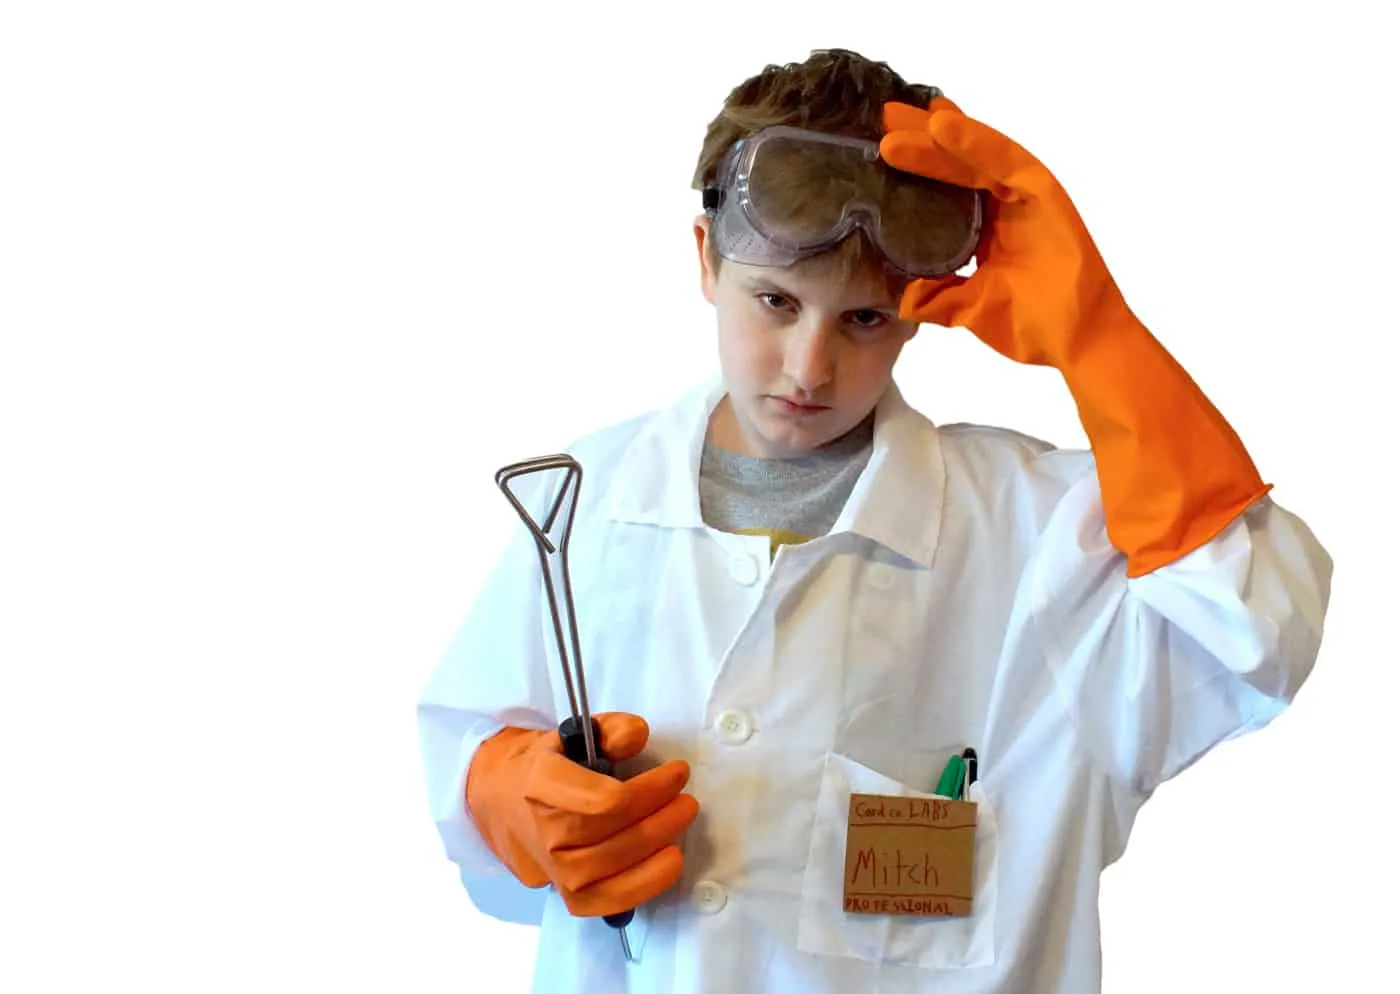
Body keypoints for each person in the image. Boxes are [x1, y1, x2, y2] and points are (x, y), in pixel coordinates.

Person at [416, 48, 1333, 993]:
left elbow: (1259, 626)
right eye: (775, 301)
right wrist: (507, 799)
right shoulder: (589, 499)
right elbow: (465, 750)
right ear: (705, 260)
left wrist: (1099, 340)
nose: (810, 367)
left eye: (863, 321)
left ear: (917, 313)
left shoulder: (1044, 539)